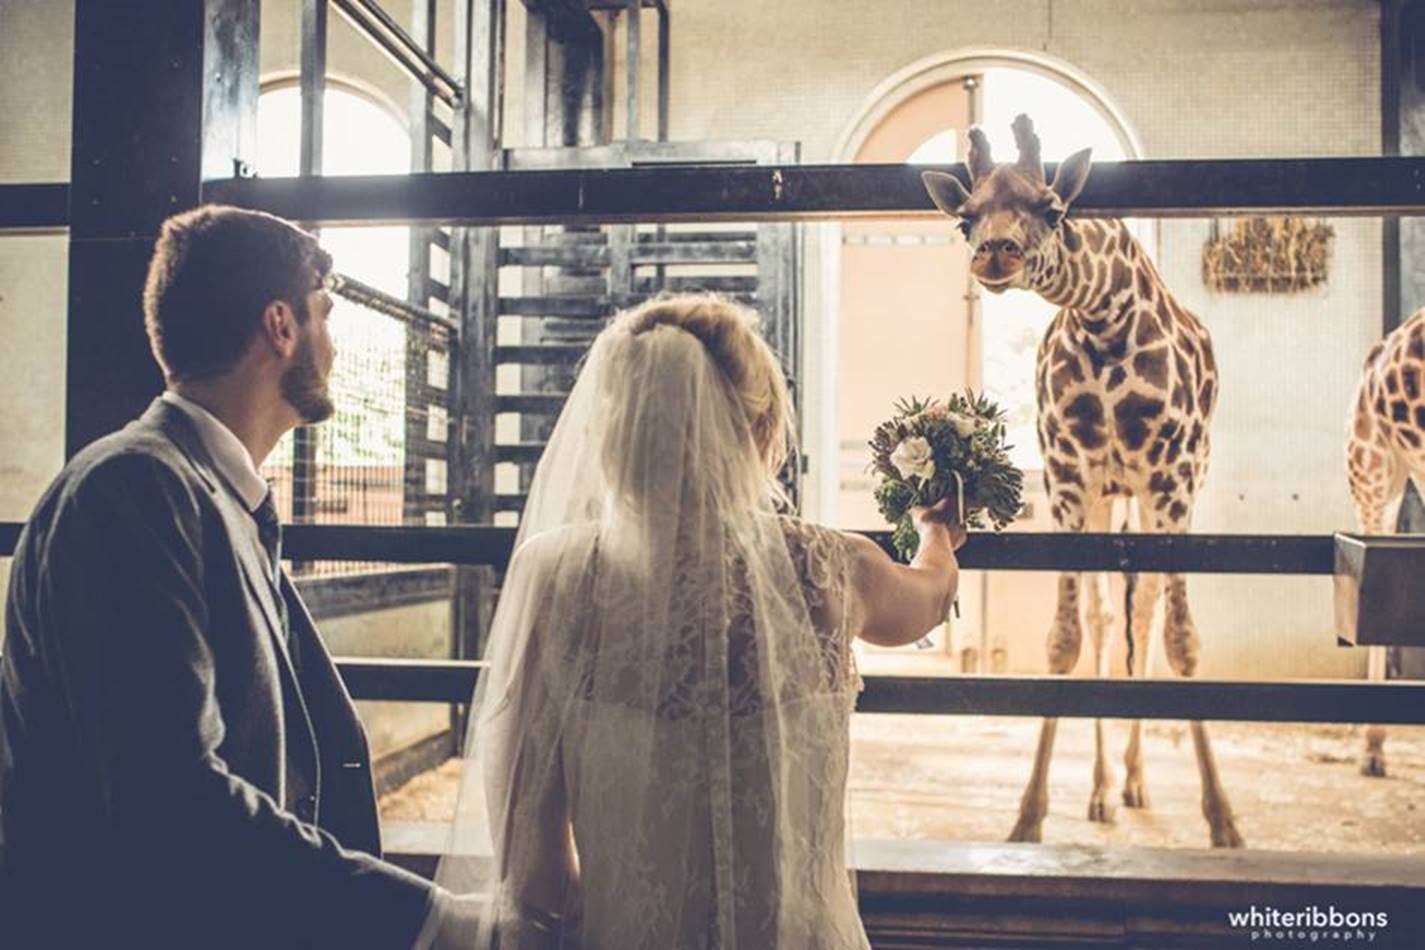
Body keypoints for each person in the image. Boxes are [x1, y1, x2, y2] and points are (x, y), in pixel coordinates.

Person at [426, 294, 966, 949]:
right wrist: (935, 534)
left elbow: (533, 876)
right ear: (761, 432)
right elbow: (928, 598)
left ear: (611, 434)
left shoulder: (554, 577)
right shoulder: (833, 568)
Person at [0, 204, 460, 948]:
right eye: (325, 315)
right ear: (281, 327)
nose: (333, 344)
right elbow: (171, 801)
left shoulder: (200, 489)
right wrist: (436, 922)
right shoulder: (134, 490)